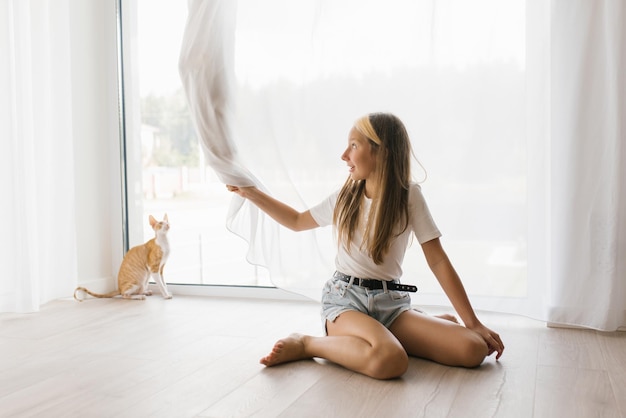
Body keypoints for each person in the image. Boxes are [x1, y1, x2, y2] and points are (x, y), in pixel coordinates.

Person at [226, 112, 504, 380]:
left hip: (391, 305)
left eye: (354, 146)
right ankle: (308, 344)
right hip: (346, 301)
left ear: (380, 152)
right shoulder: (345, 197)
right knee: (390, 360)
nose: (344, 155)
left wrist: (473, 323)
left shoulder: (410, 196)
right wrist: (251, 193)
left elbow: (438, 261)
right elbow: (297, 221)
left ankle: (396, 332)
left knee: (472, 349)